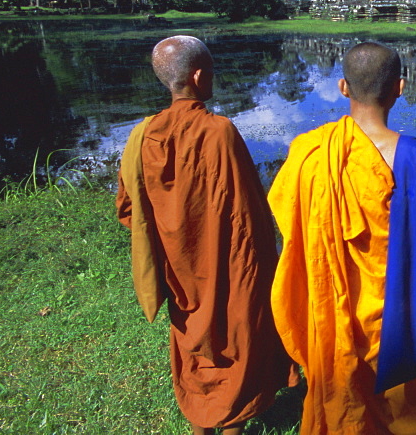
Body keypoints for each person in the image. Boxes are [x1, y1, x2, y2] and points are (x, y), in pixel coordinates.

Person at [268, 41, 416, 435]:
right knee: (408, 417)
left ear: (343, 88)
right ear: (401, 88)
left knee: (345, 411)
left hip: (333, 319)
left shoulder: (310, 155)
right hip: (401, 320)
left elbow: (294, 239)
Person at [116, 35, 297, 435]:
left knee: (194, 343)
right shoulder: (219, 132)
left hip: (178, 269)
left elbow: (128, 210)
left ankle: (201, 426)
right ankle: (230, 423)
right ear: (199, 76)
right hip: (227, 267)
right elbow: (249, 214)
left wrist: (174, 235)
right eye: (211, 72)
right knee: (236, 344)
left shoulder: (143, 135)